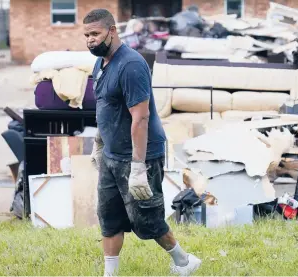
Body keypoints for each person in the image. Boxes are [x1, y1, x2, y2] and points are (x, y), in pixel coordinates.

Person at [84, 9, 202, 277]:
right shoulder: (100, 63)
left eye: (95, 34)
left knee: (145, 218)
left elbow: (141, 117)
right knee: (109, 216)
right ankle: (109, 274)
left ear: (112, 31)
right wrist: (100, 143)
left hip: (141, 155)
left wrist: (138, 167)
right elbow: (105, 106)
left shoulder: (131, 65)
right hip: (113, 155)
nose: (90, 40)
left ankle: (184, 262)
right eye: (86, 35)